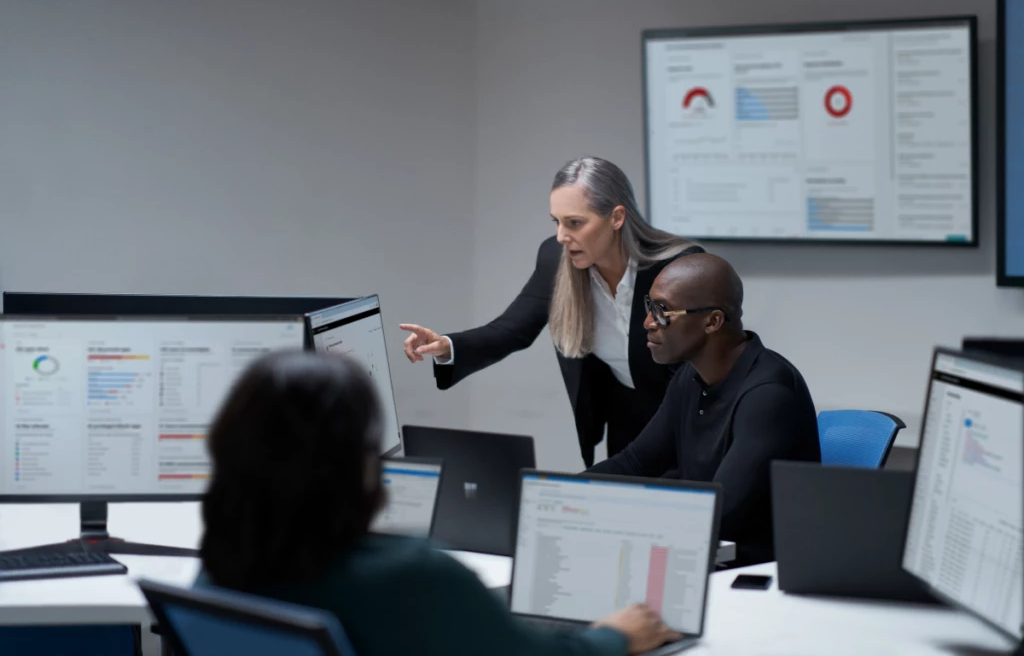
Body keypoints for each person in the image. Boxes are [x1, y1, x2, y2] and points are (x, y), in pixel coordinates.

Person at [197, 350, 680, 656]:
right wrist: (617, 635)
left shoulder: (221, 566)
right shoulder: (412, 578)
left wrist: (478, 605)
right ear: (354, 465)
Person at [400, 157, 703, 466]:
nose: (561, 236)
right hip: (626, 413)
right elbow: (511, 330)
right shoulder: (557, 259)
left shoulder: (681, 269)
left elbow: (699, 372)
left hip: (693, 416)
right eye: (556, 222)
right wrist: (446, 346)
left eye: (574, 223)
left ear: (616, 218)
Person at [588, 253, 820, 566]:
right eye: (649, 306)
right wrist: (559, 498)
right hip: (706, 552)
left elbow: (719, 513)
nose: (648, 322)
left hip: (754, 570)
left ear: (712, 321)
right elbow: (636, 462)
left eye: (663, 310)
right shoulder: (691, 376)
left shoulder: (769, 394)